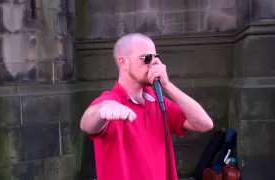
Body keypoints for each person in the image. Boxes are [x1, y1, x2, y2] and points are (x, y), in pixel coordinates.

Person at [80, 33, 214, 180]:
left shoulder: (157, 101)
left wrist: (167, 85)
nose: (153, 64)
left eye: (155, 58)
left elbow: (204, 124)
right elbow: (87, 124)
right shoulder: (112, 100)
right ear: (123, 62)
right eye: (147, 58)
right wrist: (102, 111)